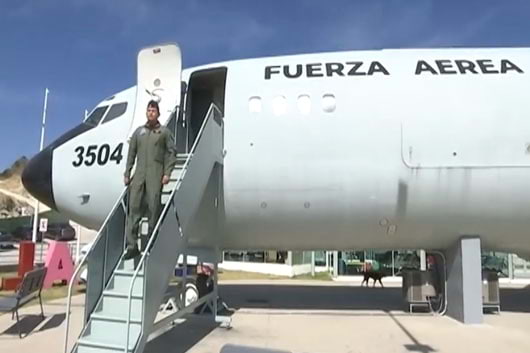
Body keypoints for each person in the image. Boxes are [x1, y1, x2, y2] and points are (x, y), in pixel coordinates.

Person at [123, 100, 176, 260]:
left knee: (154, 208)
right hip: (139, 175)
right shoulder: (139, 133)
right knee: (133, 209)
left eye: (154, 110)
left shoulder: (164, 132)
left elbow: (171, 152)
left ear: (158, 113)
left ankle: (152, 242)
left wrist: (167, 173)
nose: (151, 113)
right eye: (149, 110)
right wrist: (127, 173)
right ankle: (132, 246)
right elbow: (131, 153)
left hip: (155, 174)